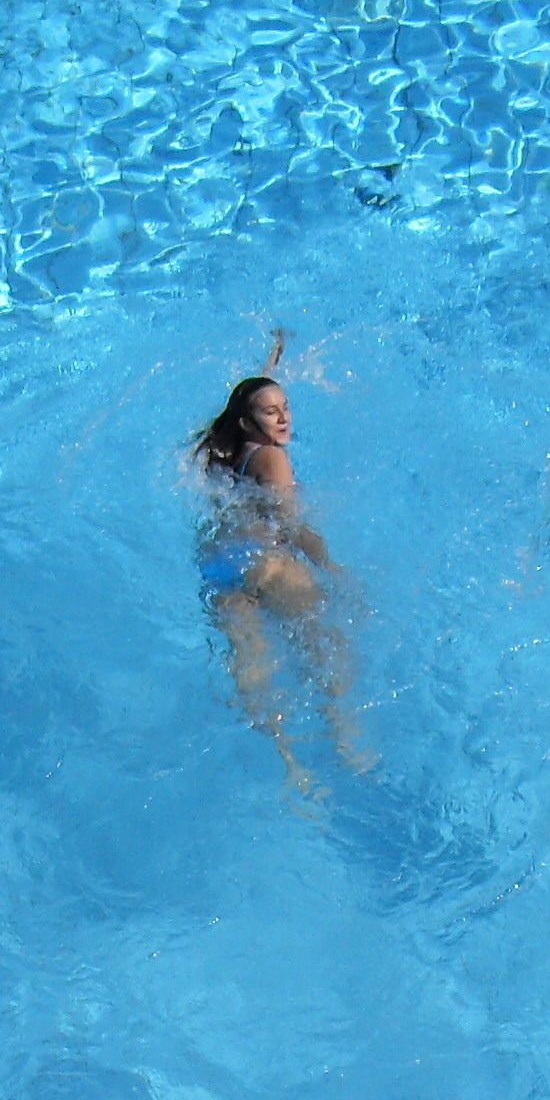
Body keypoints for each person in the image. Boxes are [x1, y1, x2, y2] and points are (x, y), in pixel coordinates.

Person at [192, 334, 370, 796]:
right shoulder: (272, 458)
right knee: (324, 643)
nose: (285, 416)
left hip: (220, 563)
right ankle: (343, 735)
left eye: (286, 406)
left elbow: (248, 400)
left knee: (253, 667)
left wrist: (269, 363)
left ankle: (289, 763)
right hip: (266, 563)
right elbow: (291, 526)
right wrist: (333, 568)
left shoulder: (223, 451)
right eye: (272, 411)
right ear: (249, 421)